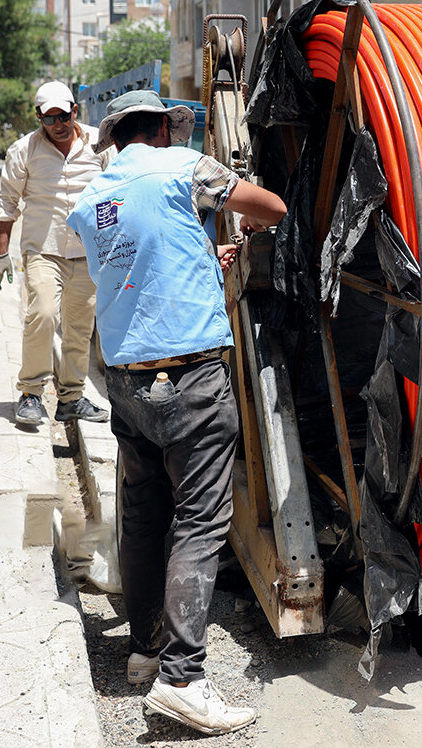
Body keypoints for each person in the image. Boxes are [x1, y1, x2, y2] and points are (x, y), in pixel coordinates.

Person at [66, 90, 287, 735]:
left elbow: (134, 264)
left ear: (116, 136)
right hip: (191, 379)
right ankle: (183, 679)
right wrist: (243, 220)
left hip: (129, 383)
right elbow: (269, 209)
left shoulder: (91, 200)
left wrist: (201, 258)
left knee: (143, 514)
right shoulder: (185, 168)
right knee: (199, 522)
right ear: (164, 129)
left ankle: (144, 652)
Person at [0, 82, 110, 426]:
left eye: (63, 116)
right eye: (49, 119)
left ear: (75, 111)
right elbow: (6, 202)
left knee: (79, 327)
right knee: (43, 314)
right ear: (39, 118)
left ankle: (72, 398)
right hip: (42, 249)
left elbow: (120, 187)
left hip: (88, 251)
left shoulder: (100, 143)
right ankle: (31, 393)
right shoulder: (24, 150)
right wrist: (3, 253)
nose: (58, 124)